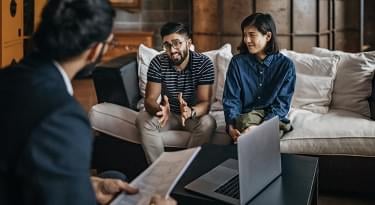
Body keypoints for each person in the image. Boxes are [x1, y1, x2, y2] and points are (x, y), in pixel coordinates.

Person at [0, 0, 175, 205]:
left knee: (113, 177)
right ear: (94, 50)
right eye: (109, 43)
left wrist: (89, 185)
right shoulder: (63, 117)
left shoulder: (7, 77)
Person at [136, 22, 216, 163]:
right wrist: (160, 110)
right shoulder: (158, 62)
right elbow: (150, 100)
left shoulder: (204, 63)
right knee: (142, 119)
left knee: (208, 122)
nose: (172, 50)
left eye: (177, 43)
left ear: (188, 43)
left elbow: (205, 103)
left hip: (192, 115)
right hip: (169, 115)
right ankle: (160, 171)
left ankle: (185, 169)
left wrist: (190, 111)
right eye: (167, 45)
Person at [222, 13, 296, 143]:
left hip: (272, 118)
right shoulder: (237, 63)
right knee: (247, 126)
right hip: (244, 118)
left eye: (252, 35)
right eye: (245, 35)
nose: (247, 40)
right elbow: (231, 99)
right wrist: (231, 126)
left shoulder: (286, 66)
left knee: (262, 134)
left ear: (268, 36)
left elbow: (281, 106)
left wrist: (259, 128)